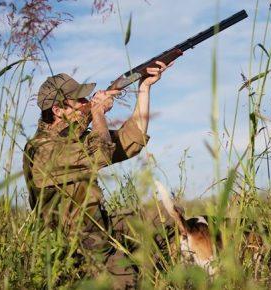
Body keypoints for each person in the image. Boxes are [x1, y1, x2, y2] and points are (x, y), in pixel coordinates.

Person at [23, 61, 173, 288]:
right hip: (76, 242)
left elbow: (132, 139)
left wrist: (144, 88)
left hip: (99, 226)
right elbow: (100, 153)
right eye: (80, 100)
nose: (86, 102)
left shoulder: (75, 139)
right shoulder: (42, 150)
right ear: (57, 110)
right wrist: (97, 113)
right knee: (124, 281)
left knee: (168, 216)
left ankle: (154, 275)